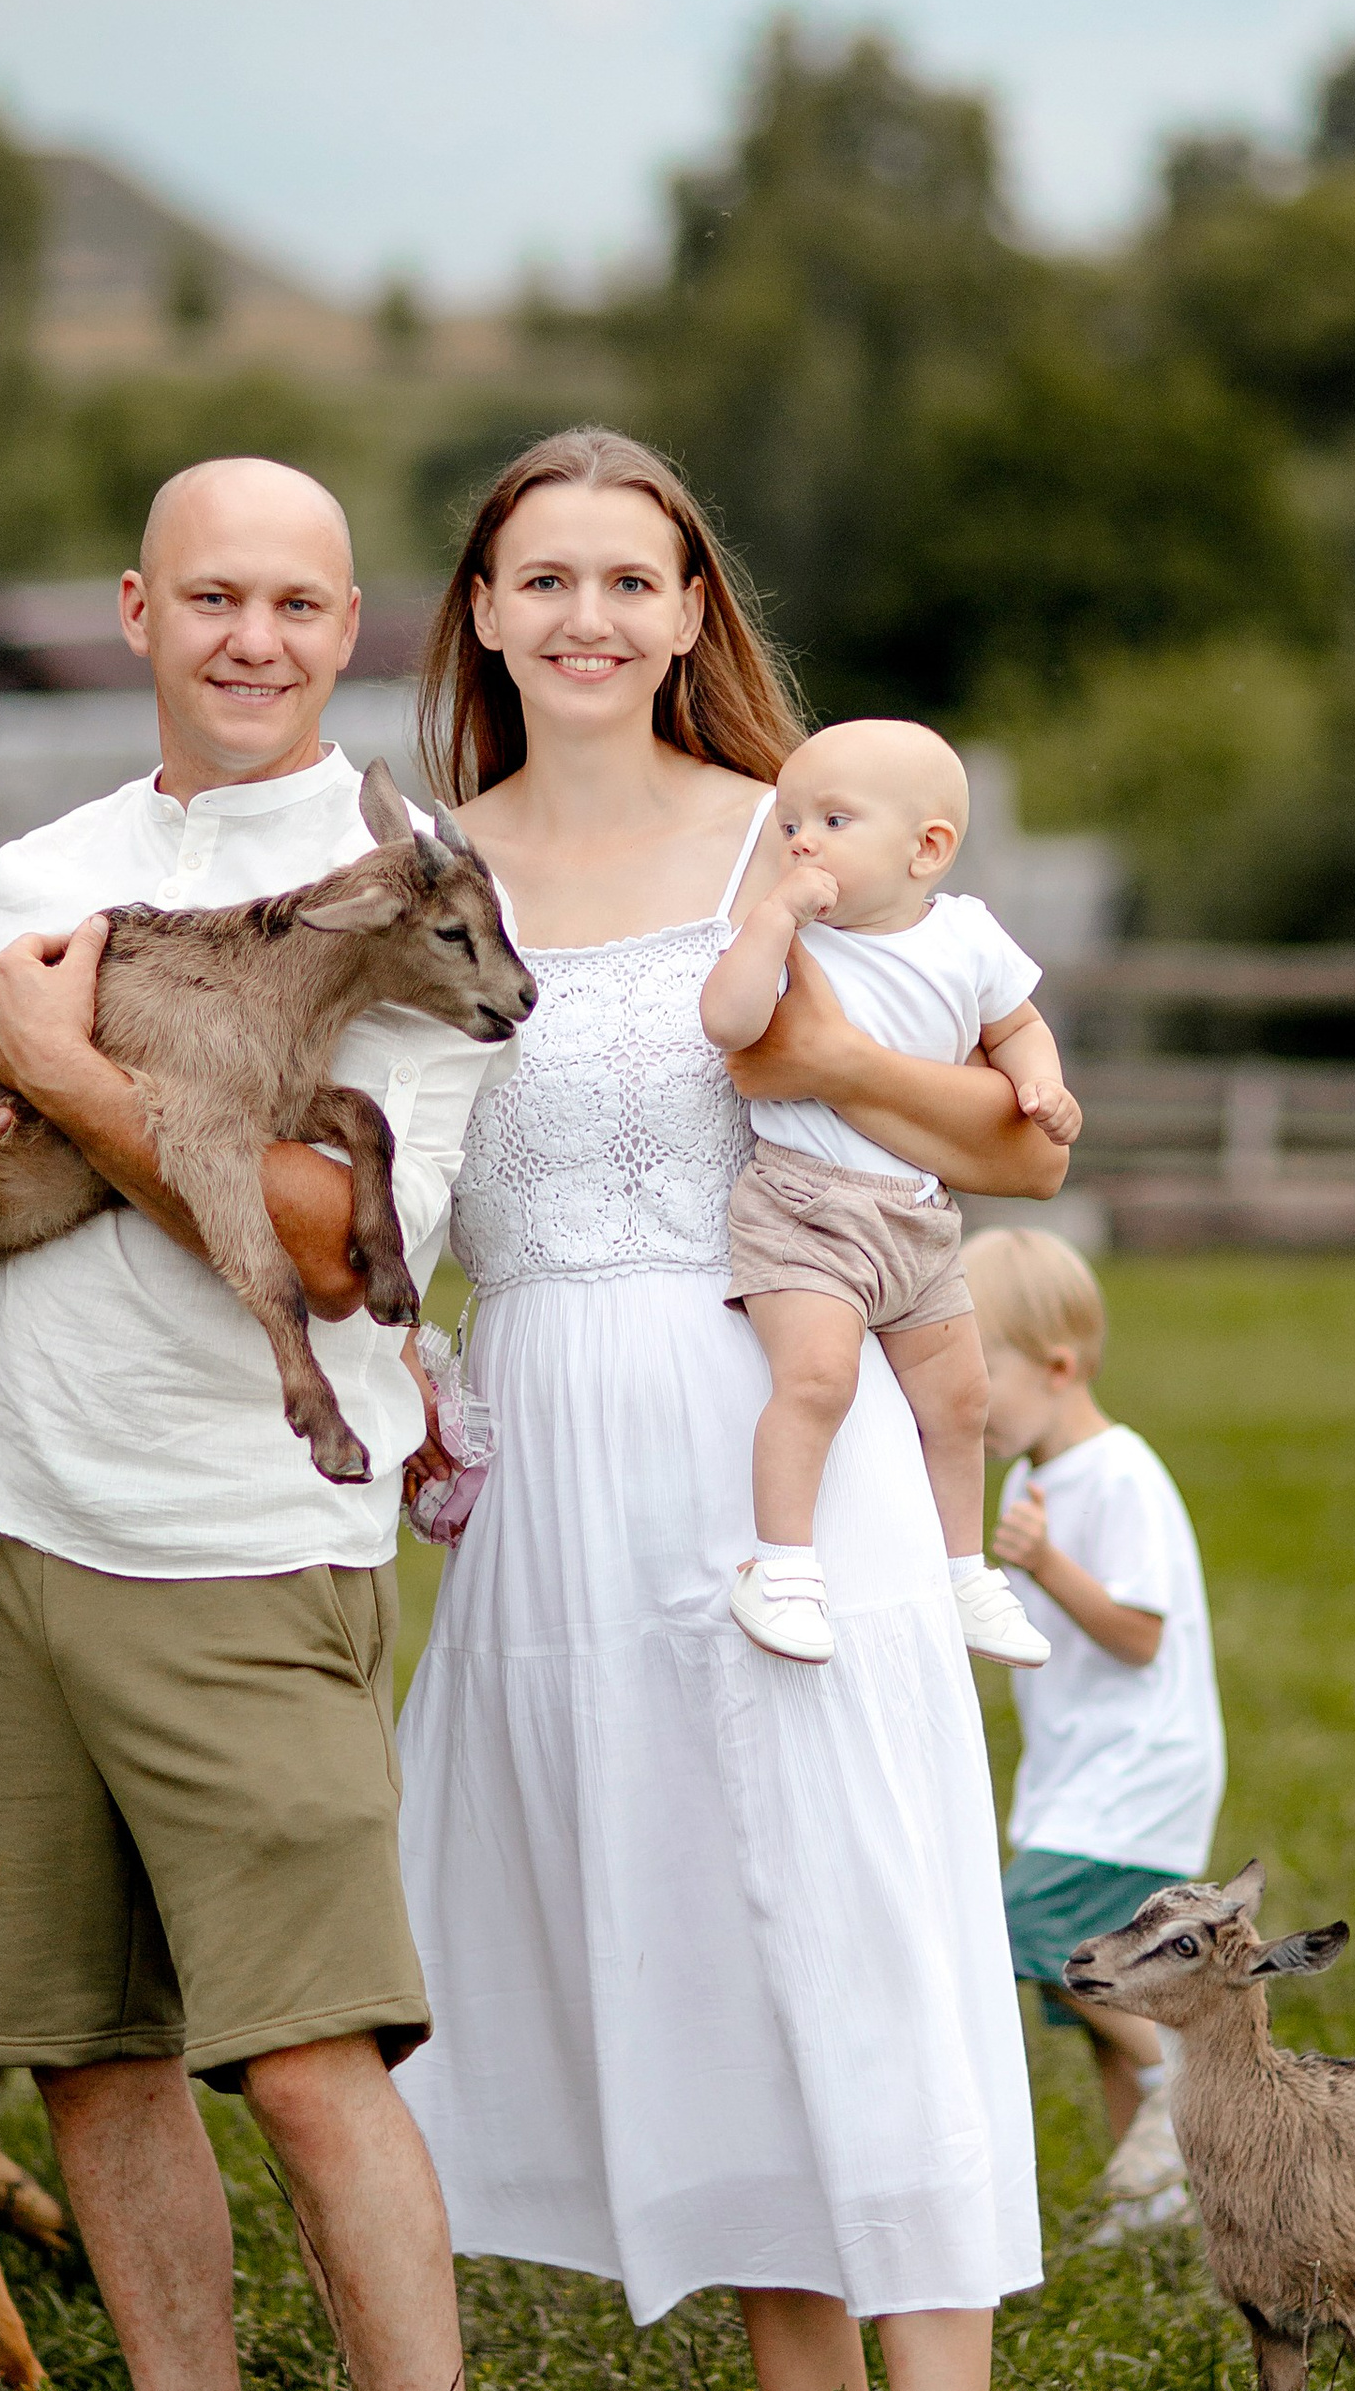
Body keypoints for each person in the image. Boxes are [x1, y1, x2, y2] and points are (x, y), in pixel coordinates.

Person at [394, 427, 1063, 2391]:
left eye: (628, 578)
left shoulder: (803, 828)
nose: (585, 615)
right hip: (543, 1450)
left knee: (844, 1919)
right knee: (699, 1947)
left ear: (690, 610)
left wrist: (839, 1053)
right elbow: (386, 1180)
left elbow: (1009, 1156)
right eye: (543, 579)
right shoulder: (424, 869)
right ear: (484, 615)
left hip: (775, 1403)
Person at [0, 457, 509, 2391]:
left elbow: (322, 1250)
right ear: (140, 613)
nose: (256, 640)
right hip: (13, 1521)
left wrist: (63, 1065)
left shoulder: (416, 895)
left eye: (300, 606)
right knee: (90, 2053)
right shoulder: (30, 882)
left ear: (349, 630)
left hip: (241, 1541)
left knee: (309, 2066)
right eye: (215, 598)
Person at [699, 717, 1075, 1670]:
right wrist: (773, 921)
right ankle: (781, 1564)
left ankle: (963, 1571)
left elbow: (1017, 1023)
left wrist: (1041, 1083)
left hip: (916, 1213)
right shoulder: (797, 940)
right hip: (805, 1208)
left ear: (928, 849)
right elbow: (727, 1022)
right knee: (819, 1377)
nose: (801, 842)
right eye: (789, 824)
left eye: (833, 820)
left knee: (962, 1398)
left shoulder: (968, 936)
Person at [965, 1226, 1226, 2244]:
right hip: (1078, 1771)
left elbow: (1138, 1629)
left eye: (981, 1366)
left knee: (1031, 1928)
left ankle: (1179, 2082)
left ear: (1059, 1365)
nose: (968, 1392)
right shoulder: (1036, 1481)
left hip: (1136, 1769)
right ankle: (1149, 2203)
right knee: (1094, 2001)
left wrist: (1051, 1566)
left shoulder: (1118, 1473)